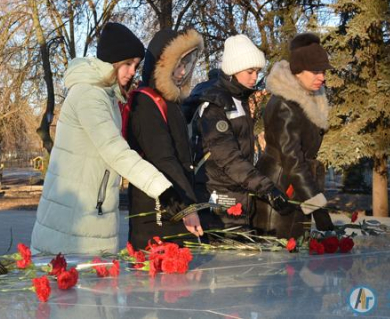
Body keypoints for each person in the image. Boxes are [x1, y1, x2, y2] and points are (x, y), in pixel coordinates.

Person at [31, 23, 182, 255]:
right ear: (112, 61)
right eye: (128, 64)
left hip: (90, 215)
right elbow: (114, 150)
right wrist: (161, 189)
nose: (133, 71)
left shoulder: (107, 97)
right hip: (73, 222)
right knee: (73, 288)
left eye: (136, 65)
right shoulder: (89, 95)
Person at [186, 35, 294, 229]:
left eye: (258, 72)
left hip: (237, 197)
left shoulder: (239, 100)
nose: (255, 77)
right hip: (217, 203)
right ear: (234, 70)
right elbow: (229, 158)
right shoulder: (215, 105)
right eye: (250, 71)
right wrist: (267, 188)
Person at [126, 28, 210, 249]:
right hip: (158, 207)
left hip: (175, 201)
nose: (182, 72)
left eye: (186, 65)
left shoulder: (172, 103)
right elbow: (164, 159)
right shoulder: (146, 102)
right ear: (162, 66)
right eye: (178, 65)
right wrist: (187, 207)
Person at [253, 33, 334, 238]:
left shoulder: (307, 100)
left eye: (323, 71)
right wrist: (320, 211)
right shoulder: (285, 105)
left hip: (297, 192)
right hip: (280, 195)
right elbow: (293, 163)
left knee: (294, 259)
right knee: (280, 263)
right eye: (315, 71)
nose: (322, 77)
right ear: (298, 70)